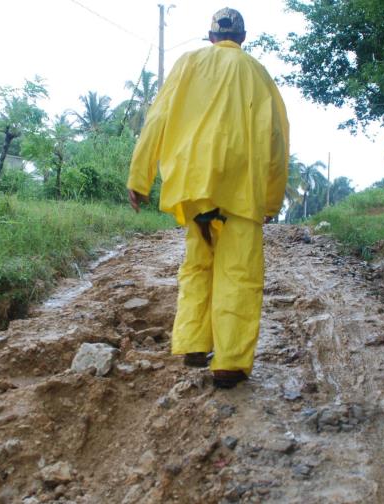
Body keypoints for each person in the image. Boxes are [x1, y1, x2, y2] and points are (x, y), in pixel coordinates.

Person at [126, 8, 289, 389]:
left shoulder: (187, 63)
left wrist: (140, 177)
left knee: (198, 265)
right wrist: (271, 200)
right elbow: (278, 140)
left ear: (211, 36)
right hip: (241, 190)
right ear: (243, 37)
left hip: (193, 186)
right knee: (239, 273)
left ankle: (194, 344)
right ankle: (229, 363)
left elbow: (157, 119)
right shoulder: (257, 73)